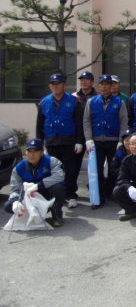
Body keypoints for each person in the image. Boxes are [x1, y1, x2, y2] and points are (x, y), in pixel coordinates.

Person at [36, 73, 84, 209]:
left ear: (64, 85)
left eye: (58, 83)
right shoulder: (44, 101)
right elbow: (39, 124)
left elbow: (79, 123)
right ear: (49, 86)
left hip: (68, 140)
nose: (55, 86)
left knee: (70, 169)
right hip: (51, 141)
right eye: (53, 84)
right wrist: (40, 144)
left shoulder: (73, 100)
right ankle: (57, 195)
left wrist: (79, 141)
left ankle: (71, 195)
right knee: (54, 170)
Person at [83, 74, 128, 208]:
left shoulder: (119, 102)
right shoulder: (92, 101)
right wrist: (88, 139)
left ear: (110, 86)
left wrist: (121, 140)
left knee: (113, 169)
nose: (104, 87)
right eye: (101, 84)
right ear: (98, 86)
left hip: (113, 140)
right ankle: (99, 196)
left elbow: (123, 122)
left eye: (106, 84)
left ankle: (110, 192)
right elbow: (86, 121)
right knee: (96, 169)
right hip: (96, 141)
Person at [4, 139, 66, 227]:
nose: (32, 155)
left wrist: (39, 185)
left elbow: (59, 176)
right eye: (29, 151)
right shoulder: (18, 168)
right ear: (25, 153)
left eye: (35, 151)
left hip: (46, 196)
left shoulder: (52, 161)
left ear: (41, 152)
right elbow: (15, 188)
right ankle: (30, 217)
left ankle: (57, 215)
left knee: (58, 188)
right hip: (29, 198)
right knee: (8, 206)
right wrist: (15, 201)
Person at [73, 71, 98, 187]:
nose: (83, 82)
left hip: (93, 134)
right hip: (77, 135)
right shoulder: (74, 97)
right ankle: (71, 189)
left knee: (95, 164)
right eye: (81, 80)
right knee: (74, 164)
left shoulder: (97, 96)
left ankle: (93, 188)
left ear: (92, 82)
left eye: (86, 80)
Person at [108, 128, 134, 200]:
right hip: (123, 180)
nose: (128, 143)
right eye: (126, 140)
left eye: (130, 140)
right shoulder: (119, 152)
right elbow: (113, 170)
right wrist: (124, 171)